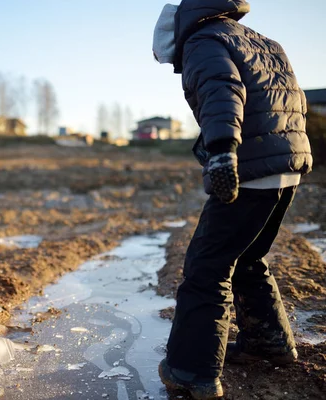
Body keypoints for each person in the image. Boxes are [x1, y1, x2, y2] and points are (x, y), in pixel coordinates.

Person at [152, 1, 312, 399]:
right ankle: (269, 342)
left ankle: (192, 370)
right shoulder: (262, 41)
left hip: (249, 169)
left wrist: (223, 148)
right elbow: (287, 100)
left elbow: (222, 89)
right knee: (248, 257)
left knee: (208, 267)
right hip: (286, 166)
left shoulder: (204, 40)